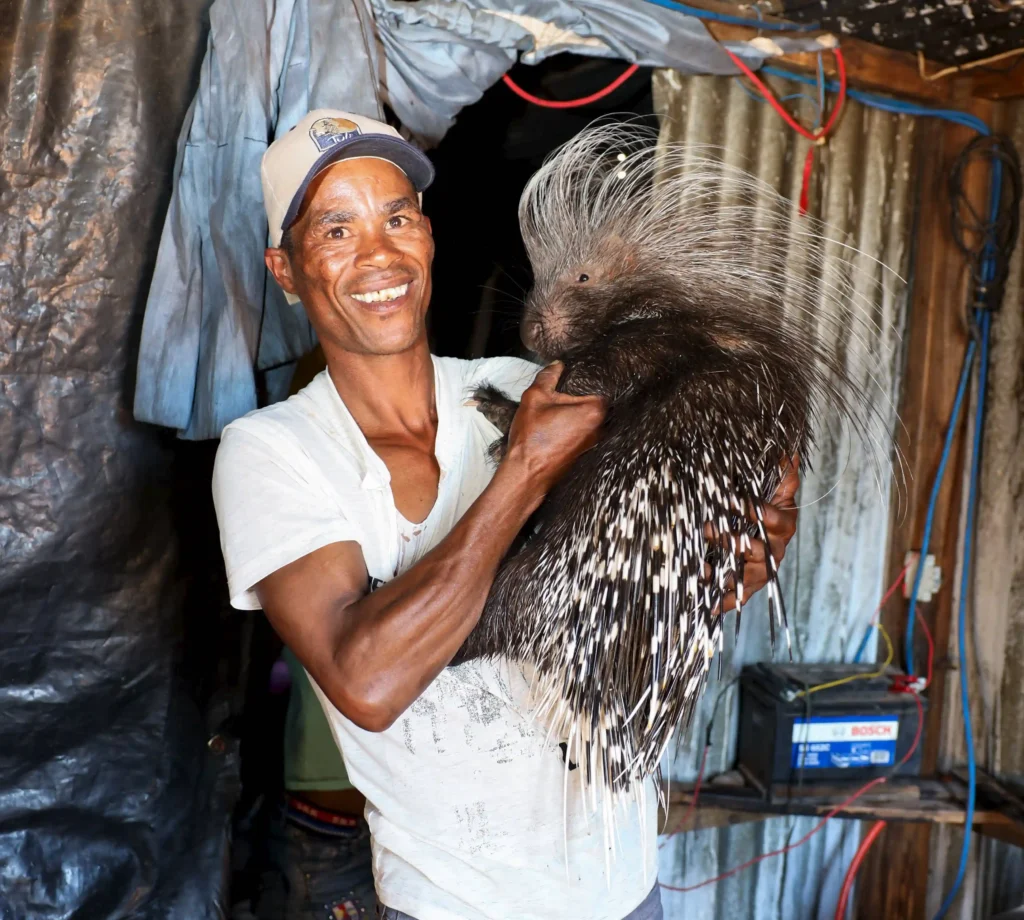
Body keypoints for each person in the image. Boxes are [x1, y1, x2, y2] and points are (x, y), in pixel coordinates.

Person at [212, 109, 799, 920]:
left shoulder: (523, 382)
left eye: (396, 218)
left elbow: (660, 579)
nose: (378, 254)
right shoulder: (271, 451)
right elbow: (368, 682)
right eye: (336, 229)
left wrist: (747, 541)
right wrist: (521, 472)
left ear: (427, 235)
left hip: (626, 891)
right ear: (286, 269)